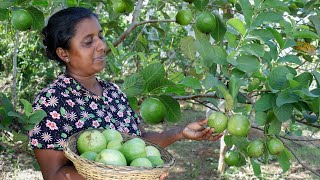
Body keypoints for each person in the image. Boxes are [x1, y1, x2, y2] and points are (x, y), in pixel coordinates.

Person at [28, 7, 222, 180]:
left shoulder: (113, 92)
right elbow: (54, 174)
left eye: (100, 37)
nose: (102, 46)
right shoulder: (51, 102)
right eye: (88, 42)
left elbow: (136, 140)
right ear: (64, 54)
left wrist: (179, 133)